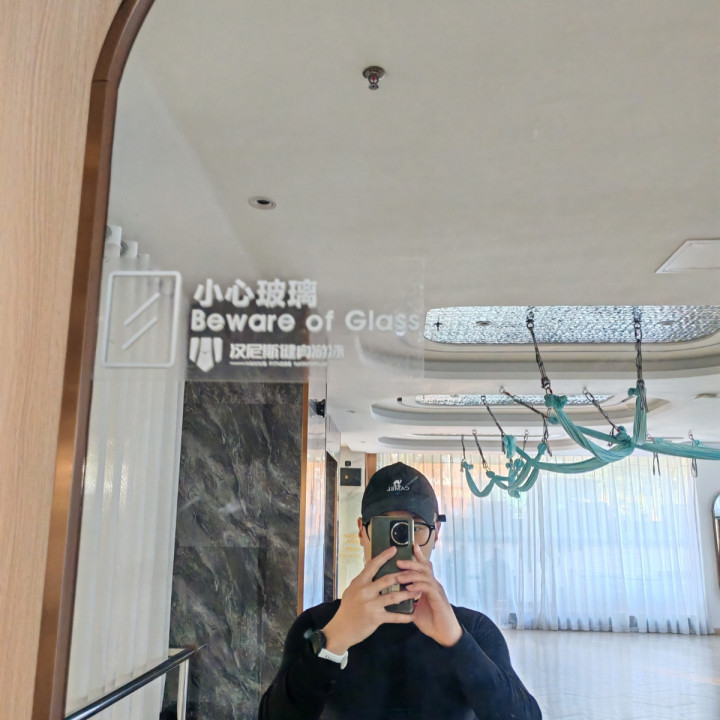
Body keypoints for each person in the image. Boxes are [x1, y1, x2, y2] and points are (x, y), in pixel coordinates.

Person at [259, 462, 542, 720]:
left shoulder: (473, 629)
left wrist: (457, 642)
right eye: (387, 529)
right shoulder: (318, 625)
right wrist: (333, 641)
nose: (399, 546)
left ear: (436, 533)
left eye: (414, 528)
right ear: (362, 532)